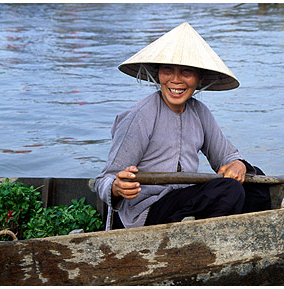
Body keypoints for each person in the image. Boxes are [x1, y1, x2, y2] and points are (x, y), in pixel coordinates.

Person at [95, 22, 271, 230]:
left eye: (186, 72)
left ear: (199, 78)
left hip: (182, 202)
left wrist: (238, 165)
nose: (175, 80)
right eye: (167, 70)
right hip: (147, 212)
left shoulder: (199, 112)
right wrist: (117, 187)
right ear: (158, 73)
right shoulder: (140, 116)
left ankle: (246, 237)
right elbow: (104, 179)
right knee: (229, 191)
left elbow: (226, 157)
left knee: (256, 179)